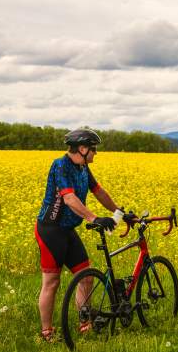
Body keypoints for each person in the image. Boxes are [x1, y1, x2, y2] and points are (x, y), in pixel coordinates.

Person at [35, 128, 121, 342]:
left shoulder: (83, 167)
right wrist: (94, 218)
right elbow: (69, 199)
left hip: (68, 230)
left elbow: (99, 192)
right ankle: (47, 332)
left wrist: (118, 212)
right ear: (82, 149)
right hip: (50, 230)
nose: (96, 153)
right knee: (52, 281)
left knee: (87, 277)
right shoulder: (60, 165)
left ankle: (85, 324)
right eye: (93, 149)